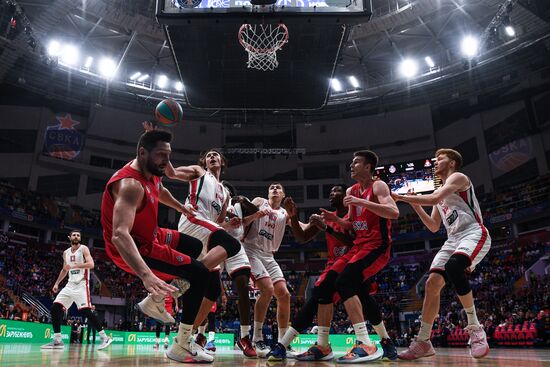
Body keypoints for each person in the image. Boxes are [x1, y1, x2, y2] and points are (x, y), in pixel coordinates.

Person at [100, 129, 212, 363]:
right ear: (142, 153)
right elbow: (120, 236)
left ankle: (157, 300)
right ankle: (181, 344)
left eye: (169, 155)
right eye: (162, 155)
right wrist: (146, 276)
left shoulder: (152, 170)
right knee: (201, 274)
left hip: (152, 235)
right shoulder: (130, 185)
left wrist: (182, 208)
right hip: (135, 247)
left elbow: (161, 191)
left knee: (194, 246)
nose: (167, 162)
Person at [268, 185, 398, 361]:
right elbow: (303, 237)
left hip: (355, 261)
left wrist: (328, 228)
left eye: (336, 191)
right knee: (320, 294)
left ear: (347, 195)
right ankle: (313, 345)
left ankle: (379, 341)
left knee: (361, 298)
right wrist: (294, 217)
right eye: (330, 191)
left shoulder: (354, 216)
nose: (331, 193)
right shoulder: (327, 217)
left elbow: (356, 241)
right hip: (336, 265)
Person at [393, 148, 491, 360]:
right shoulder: (441, 195)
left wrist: (399, 196)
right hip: (453, 239)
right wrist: (413, 204)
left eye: (440, 159)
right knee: (432, 283)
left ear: (453, 163)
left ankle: (475, 327)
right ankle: (423, 341)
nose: (435, 162)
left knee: (454, 267)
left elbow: (435, 196)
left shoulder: (458, 177)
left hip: (472, 232)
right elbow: (433, 225)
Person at [317, 150, 399, 363]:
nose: (351, 166)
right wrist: (333, 219)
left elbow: (393, 212)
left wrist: (363, 203)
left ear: (368, 167)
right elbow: (351, 225)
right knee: (360, 292)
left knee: (345, 282)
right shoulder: (352, 190)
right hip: (358, 247)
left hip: (377, 246)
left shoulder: (378, 186)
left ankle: (365, 342)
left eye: (356, 163)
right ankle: (387, 343)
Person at [164, 149, 242, 352]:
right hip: (192, 221)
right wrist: (161, 150)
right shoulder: (199, 172)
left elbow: (216, 224)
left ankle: (185, 337)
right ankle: (172, 289)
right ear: (205, 162)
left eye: (216, 155)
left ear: (222, 162)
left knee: (212, 288)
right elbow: (171, 173)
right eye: (209, 155)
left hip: (205, 230)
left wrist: (228, 225)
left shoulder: (225, 194)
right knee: (232, 245)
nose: (212, 157)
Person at [241, 183, 309, 358]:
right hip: (251, 250)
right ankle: (256, 338)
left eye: (278, 188)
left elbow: (303, 228)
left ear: (283, 194)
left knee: (284, 295)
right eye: (272, 187)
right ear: (268, 193)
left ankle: (282, 342)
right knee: (268, 289)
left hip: (269, 256)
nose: (275, 189)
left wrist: (316, 222)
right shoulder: (259, 202)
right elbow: (241, 211)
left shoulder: (285, 214)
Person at [41, 230, 113, 350]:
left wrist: (76, 266)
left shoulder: (84, 249)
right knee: (55, 308)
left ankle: (104, 337)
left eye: (78, 235)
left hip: (82, 284)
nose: (76, 236)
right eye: (74, 235)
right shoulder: (65, 253)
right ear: (70, 237)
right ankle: (57, 340)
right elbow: (65, 269)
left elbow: (91, 264)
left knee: (86, 312)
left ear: (80, 238)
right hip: (69, 285)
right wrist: (57, 283)